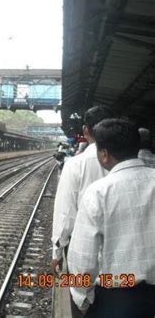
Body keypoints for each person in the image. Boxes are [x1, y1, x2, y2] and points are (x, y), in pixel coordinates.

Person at [67, 119, 155, 317]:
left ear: (104, 154)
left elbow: (83, 259)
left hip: (116, 300)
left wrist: (83, 299)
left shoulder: (98, 193)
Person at [51, 105, 113, 274]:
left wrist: (56, 251)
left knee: (81, 295)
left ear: (86, 131)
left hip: (81, 250)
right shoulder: (126, 163)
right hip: (120, 254)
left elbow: (65, 213)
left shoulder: (74, 165)